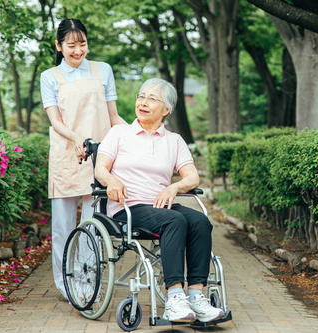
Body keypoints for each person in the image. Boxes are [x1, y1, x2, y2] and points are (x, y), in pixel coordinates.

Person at [94, 78, 225, 323]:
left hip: (160, 206)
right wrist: (111, 181)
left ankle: (196, 296)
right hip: (128, 207)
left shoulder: (173, 140)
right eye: (141, 97)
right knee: (174, 220)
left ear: (166, 110)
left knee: (199, 221)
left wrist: (174, 186)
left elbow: (192, 177)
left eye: (152, 99)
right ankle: (175, 297)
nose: (143, 102)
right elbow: (101, 169)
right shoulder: (119, 133)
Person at [40, 18, 127, 300]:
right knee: (64, 226)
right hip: (68, 155)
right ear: (59, 45)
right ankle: (66, 283)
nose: (78, 51)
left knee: (93, 224)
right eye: (71, 45)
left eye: (83, 44)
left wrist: (140, 134)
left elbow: (113, 117)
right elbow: (55, 121)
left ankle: (87, 282)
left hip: (99, 157)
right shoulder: (50, 76)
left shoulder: (103, 70)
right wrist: (77, 138)